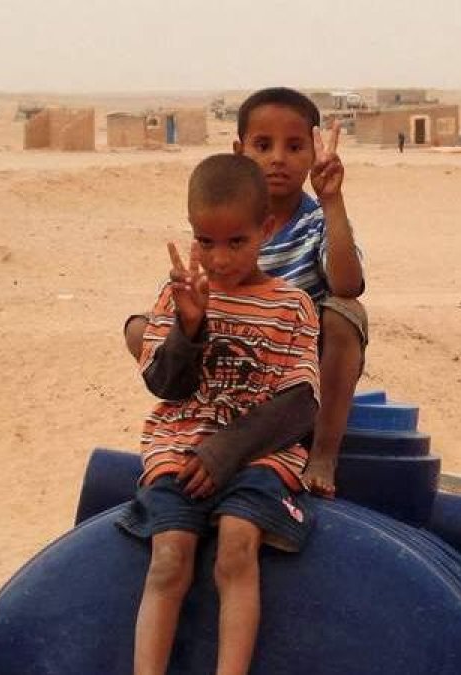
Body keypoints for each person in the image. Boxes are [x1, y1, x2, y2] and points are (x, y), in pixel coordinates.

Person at [119, 153, 320, 675]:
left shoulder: (291, 305)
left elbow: (300, 404)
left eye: (237, 242)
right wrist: (190, 327)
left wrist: (228, 450)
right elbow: (164, 384)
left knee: (236, 547)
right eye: (206, 242)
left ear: (267, 229)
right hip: (179, 450)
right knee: (169, 559)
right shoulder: (179, 294)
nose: (220, 258)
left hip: (257, 457)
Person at [124, 87, 366, 499]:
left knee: (345, 314)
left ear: (312, 152)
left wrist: (333, 201)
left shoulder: (314, 222)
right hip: (226, 344)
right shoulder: (224, 221)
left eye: (294, 147)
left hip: (290, 356)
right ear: (239, 151)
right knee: (140, 328)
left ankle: (323, 452)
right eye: (262, 145)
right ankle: (202, 417)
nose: (277, 158)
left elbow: (347, 285)